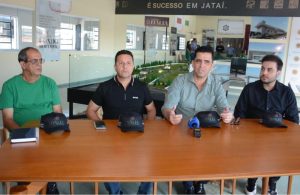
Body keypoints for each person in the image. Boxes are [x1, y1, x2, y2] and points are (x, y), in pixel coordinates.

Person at [161, 46, 234, 194]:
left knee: (213, 153)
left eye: (207, 62)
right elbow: (167, 107)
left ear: (212, 65)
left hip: (206, 130)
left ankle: (200, 182)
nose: (202, 65)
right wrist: (170, 115)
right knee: (183, 156)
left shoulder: (216, 83)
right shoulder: (180, 81)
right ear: (193, 63)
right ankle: (188, 183)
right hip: (181, 129)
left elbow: (224, 108)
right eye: (199, 61)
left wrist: (228, 115)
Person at [86, 49, 156, 194]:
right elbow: (90, 110)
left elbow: (151, 110)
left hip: (137, 135)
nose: (125, 66)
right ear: (115, 66)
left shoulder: (141, 87)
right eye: (121, 63)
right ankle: (116, 193)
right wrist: (102, 126)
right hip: (111, 137)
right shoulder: (105, 87)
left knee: (151, 164)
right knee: (106, 165)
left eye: (128, 63)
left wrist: (148, 127)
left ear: (133, 66)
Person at [234, 54, 299, 195]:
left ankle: (272, 182)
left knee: (280, 158)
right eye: (262, 68)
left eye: (269, 69)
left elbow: (294, 120)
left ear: (278, 72)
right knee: (252, 158)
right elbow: (239, 113)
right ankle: (251, 181)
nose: (264, 72)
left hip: (277, 138)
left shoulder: (287, 93)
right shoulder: (249, 89)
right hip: (252, 137)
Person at [0, 47, 62, 194]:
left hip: (47, 131)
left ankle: (50, 184)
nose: (39, 64)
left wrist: (54, 130)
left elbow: (57, 113)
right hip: (22, 133)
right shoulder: (10, 86)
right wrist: (24, 134)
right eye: (34, 61)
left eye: (41, 60)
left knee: (54, 153)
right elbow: (7, 119)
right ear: (23, 64)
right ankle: (27, 184)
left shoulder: (50, 83)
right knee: (27, 164)